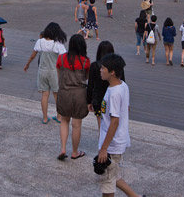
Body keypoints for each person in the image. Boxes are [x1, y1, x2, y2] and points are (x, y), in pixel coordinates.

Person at [96, 53, 143, 197]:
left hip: (112, 144)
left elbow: (114, 122)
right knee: (113, 174)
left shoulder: (114, 93)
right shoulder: (123, 86)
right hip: (117, 140)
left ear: (112, 72)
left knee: (107, 183)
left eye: (103, 68)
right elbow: (125, 109)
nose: (100, 70)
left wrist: (104, 148)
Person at [24, 23, 67, 124]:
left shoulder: (40, 42)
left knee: (44, 95)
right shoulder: (58, 44)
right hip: (54, 72)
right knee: (57, 95)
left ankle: (44, 118)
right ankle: (59, 116)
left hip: (42, 71)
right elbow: (64, 59)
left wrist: (27, 64)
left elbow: (33, 55)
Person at [56, 34, 90, 160]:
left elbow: (59, 76)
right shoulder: (86, 61)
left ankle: (63, 148)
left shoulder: (61, 58)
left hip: (64, 92)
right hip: (79, 94)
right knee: (76, 124)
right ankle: (75, 152)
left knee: (64, 120)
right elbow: (87, 77)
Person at [87, 41, 127, 130]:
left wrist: (89, 101)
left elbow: (90, 85)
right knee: (113, 123)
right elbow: (123, 81)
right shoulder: (117, 66)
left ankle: (102, 142)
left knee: (101, 127)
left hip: (99, 100)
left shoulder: (94, 65)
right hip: (114, 99)